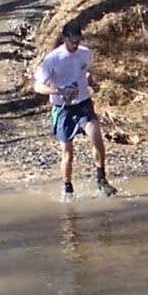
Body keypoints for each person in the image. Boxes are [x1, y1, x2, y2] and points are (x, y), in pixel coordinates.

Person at [32, 19, 116, 197]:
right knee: (68, 152)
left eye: (78, 40)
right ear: (64, 39)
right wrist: (58, 91)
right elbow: (37, 86)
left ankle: (101, 178)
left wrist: (91, 82)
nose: (76, 44)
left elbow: (84, 72)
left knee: (96, 137)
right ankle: (68, 188)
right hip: (63, 108)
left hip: (83, 103)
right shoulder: (53, 59)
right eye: (72, 41)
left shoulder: (85, 53)